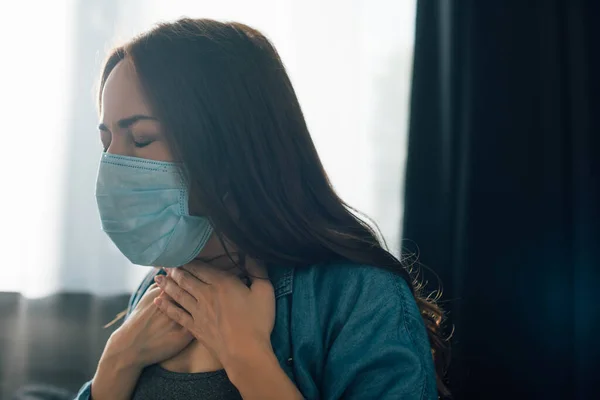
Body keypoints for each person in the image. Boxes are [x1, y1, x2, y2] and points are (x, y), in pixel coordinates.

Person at [75, 18, 449, 400]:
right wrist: (117, 361)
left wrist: (248, 359)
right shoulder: (161, 284)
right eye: (107, 143)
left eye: (141, 138)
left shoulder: (357, 297)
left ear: (230, 144)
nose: (114, 165)